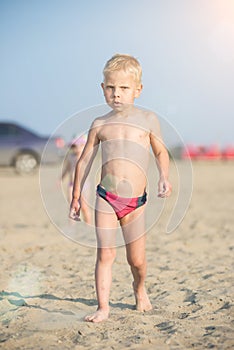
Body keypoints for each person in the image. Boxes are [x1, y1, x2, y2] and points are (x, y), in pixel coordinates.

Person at [69, 53, 172, 323]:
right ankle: (103, 307)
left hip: (136, 202)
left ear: (138, 90)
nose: (117, 94)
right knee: (106, 253)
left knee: (136, 259)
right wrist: (76, 195)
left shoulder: (148, 120)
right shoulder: (100, 124)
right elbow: (85, 160)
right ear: (103, 89)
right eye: (111, 88)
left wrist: (163, 176)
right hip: (106, 196)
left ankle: (139, 288)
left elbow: (161, 153)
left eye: (124, 88)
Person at [61, 135, 92, 224]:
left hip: (83, 185)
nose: (77, 148)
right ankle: (72, 226)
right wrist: (61, 179)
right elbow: (67, 168)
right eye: (74, 146)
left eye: (80, 146)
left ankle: (88, 224)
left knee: (84, 207)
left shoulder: (85, 157)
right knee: (71, 207)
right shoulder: (71, 157)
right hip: (71, 184)